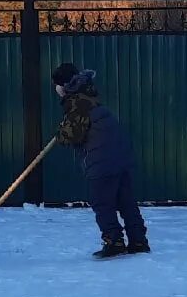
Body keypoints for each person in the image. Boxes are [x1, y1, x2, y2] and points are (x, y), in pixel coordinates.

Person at [52, 62, 149, 259]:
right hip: (121, 156)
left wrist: (62, 134)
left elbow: (73, 135)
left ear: (62, 86)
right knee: (126, 201)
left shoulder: (77, 103)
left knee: (102, 203)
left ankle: (114, 241)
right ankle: (138, 240)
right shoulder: (88, 95)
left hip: (102, 161)